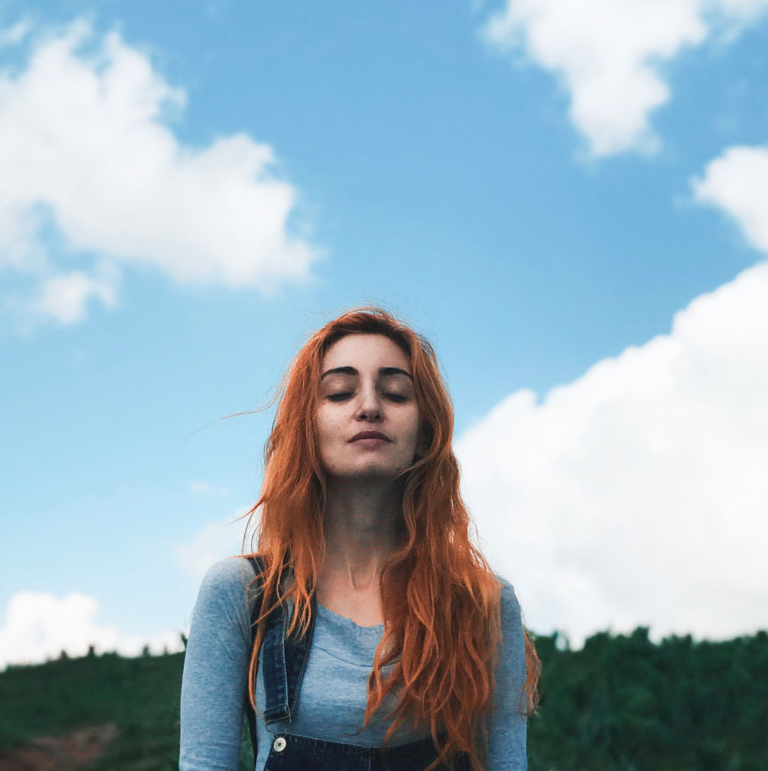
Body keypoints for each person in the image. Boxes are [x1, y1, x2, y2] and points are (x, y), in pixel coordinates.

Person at [179, 307, 539, 771]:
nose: (369, 406)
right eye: (339, 392)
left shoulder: (482, 603)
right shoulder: (245, 593)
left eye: (395, 393)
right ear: (306, 427)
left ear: (425, 433)